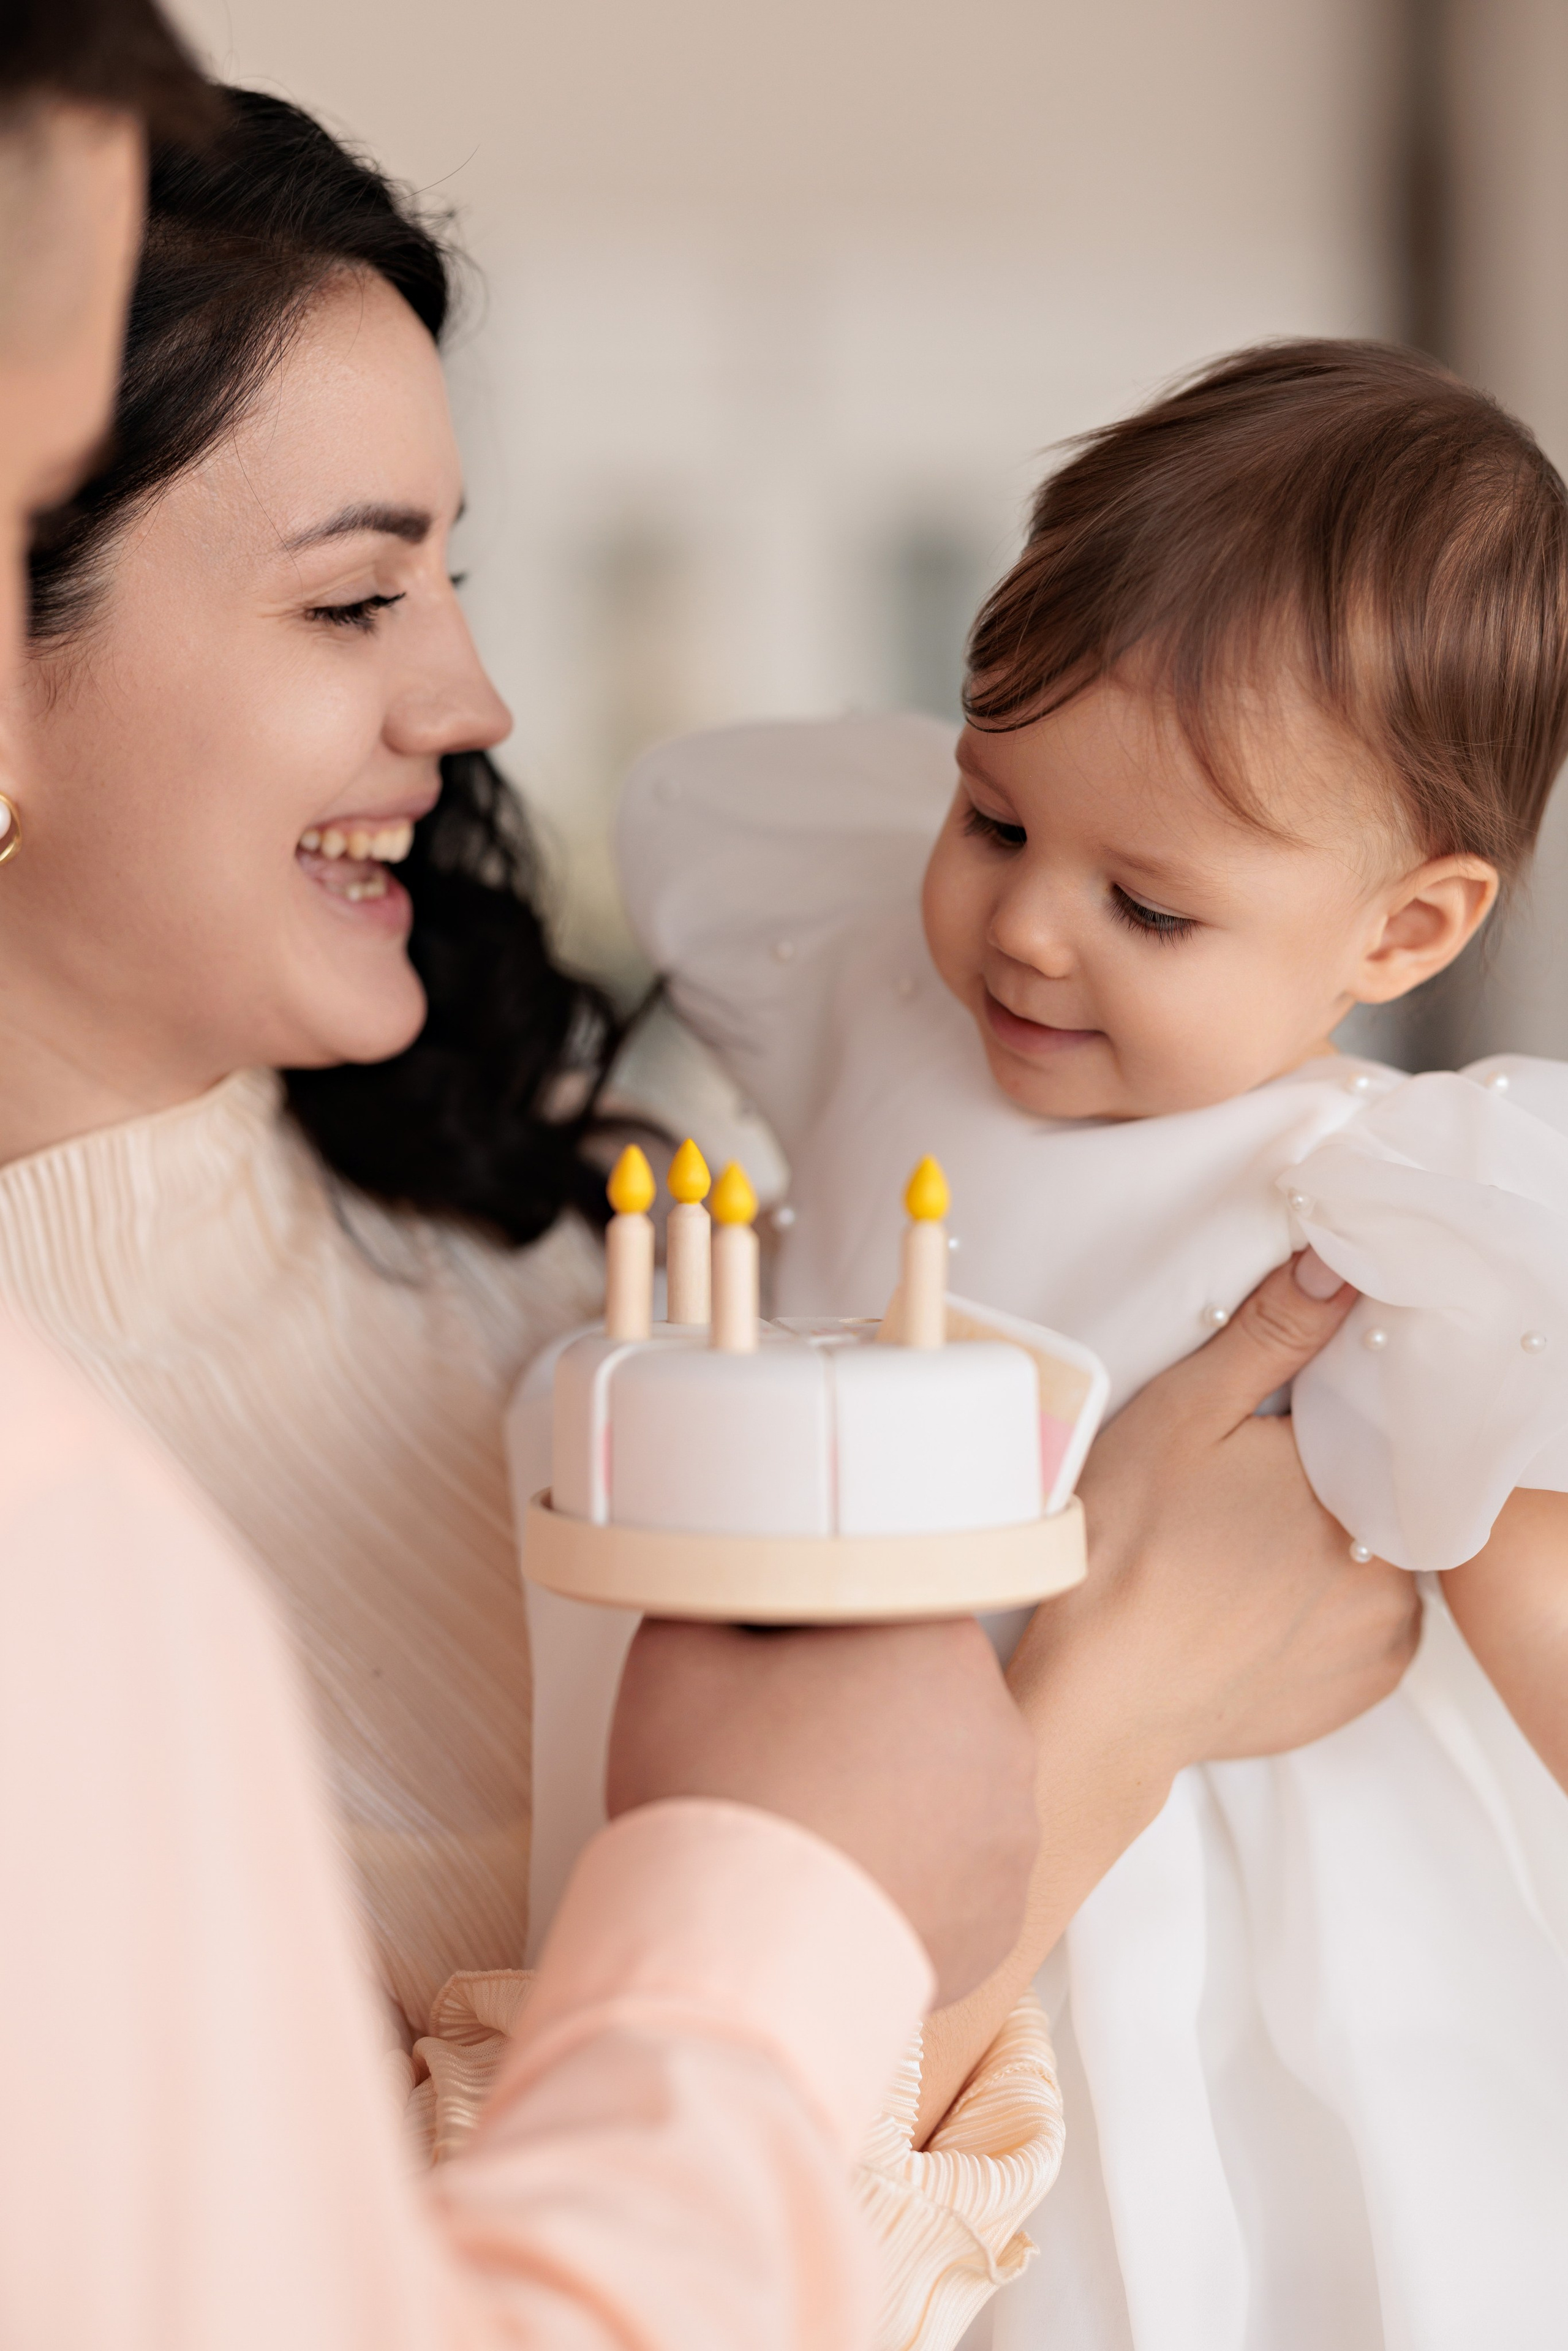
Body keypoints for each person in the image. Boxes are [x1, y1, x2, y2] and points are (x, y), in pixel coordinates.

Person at [0, 53, 1420, 2342]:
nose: (473, 698)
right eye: (354, 604)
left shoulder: (565, 1252)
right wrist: (1105, 1708)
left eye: (452, 580)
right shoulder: (61, 1514)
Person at [618, 341, 1568, 2351]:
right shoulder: (888, 996)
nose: (1030, 929)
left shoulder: (1371, 1217)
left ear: (1402, 933)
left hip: (1189, 1901)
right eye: (993, 819)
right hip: (831, 1798)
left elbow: (1535, 1588)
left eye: (1149, 906)